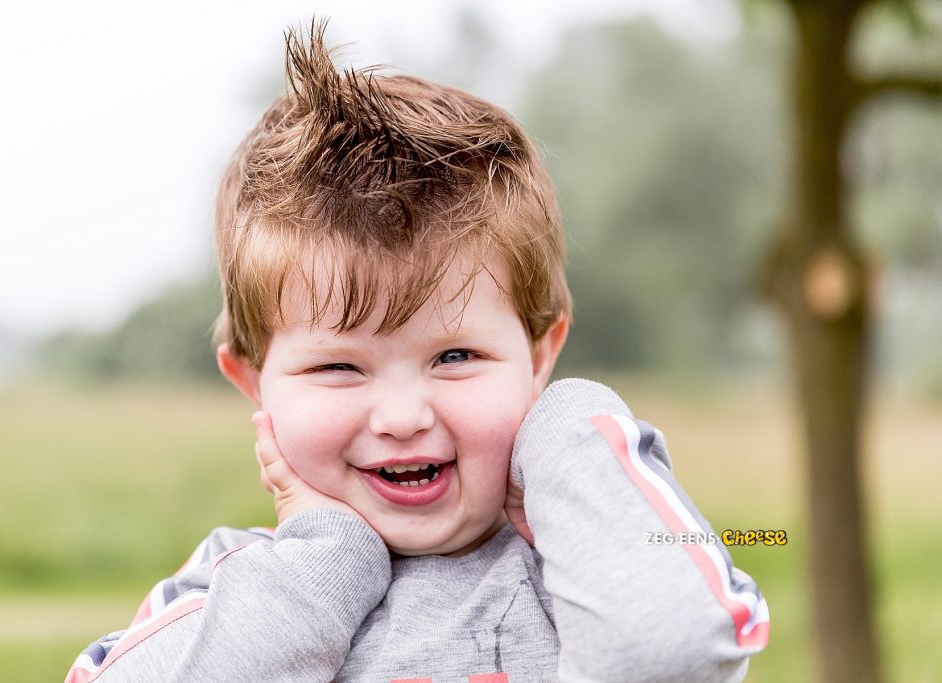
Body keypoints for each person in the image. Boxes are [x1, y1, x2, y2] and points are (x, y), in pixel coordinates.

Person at [65, 20, 768, 683]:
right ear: (251, 380)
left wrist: (566, 427)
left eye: (457, 357)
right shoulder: (239, 584)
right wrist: (326, 557)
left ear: (540, 354)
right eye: (338, 366)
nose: (402, 416)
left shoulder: (582, 568)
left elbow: (671, 648)